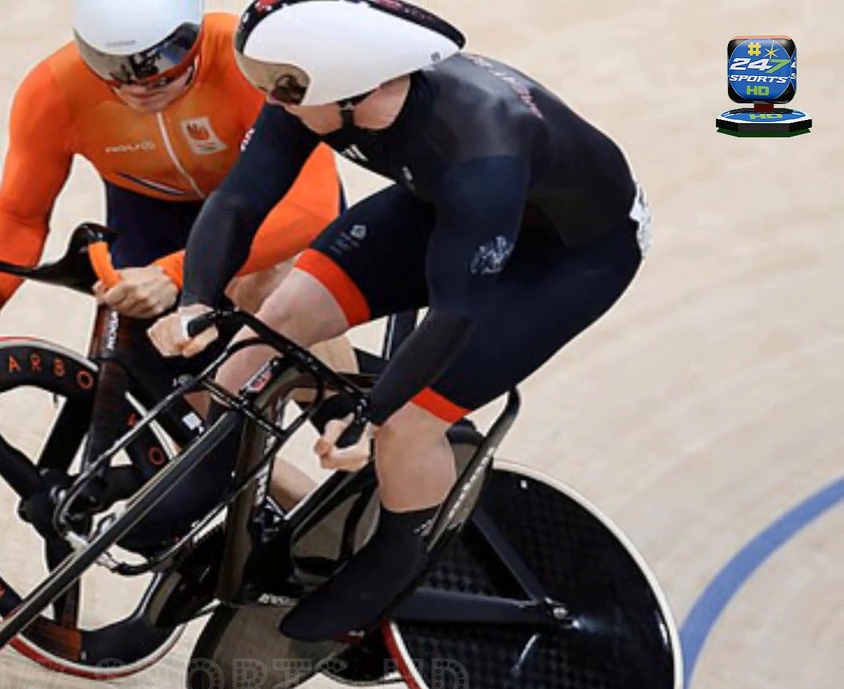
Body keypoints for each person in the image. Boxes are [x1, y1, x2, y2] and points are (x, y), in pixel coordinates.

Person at [150, 0, 653, 642]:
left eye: (280, 82)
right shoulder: (316, 94)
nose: (268, 96)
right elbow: (241, 199)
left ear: (349, 88)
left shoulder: (481, 147)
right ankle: (211, 471)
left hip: (567, 260)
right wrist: (195, 297)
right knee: (269, 328)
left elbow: (455, 311)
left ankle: (392, 564)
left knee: (408, 425)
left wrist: (372, 413)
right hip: (440, 207)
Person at [0, 0, 350, 550]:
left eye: (167, 62)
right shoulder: (54, 89)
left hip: (264, 211)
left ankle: (355, 426)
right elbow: (19, 212)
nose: (143, 84)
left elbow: (311, 208)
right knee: (187, 395)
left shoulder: (246, 59)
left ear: (194, 34)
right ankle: (322, 520)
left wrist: (178, 275)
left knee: (265, 284)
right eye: (117, 69)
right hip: (152, 218)